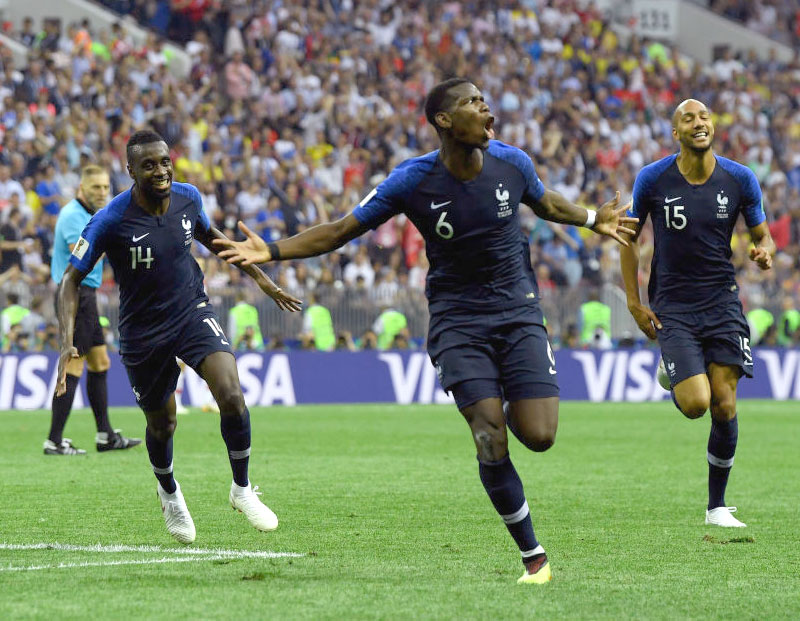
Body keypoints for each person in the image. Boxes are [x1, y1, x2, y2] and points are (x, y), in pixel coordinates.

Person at [213, 78, 635, 584]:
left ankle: (499, 400)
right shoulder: (411, 181)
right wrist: (272, 251)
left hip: (519, 312)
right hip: (458, 321)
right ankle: (534, 556)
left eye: (484, 100)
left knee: (540, 436)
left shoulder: (512, 162)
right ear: (444, 121)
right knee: (488, 437)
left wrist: (593, 218)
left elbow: (547, 205)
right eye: (473, 103)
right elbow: (342, 230)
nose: (487, 109)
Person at [56, 130, 303, 544]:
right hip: (142, 331)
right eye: (149, 165)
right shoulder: (110, 219)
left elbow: (216, 241)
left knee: (231, 393)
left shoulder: (189, 198)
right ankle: (169, 491)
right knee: (163, 423)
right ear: (131, 170)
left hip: (191, 311)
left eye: (165, 161)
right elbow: (69, 279)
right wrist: (66, 339)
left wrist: (263, 280)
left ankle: (241, 489)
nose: (160, 170)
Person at [620, 99, 776, 529]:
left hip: (722, 301)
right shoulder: (652, 179)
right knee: (695, 405)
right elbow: (627, 239)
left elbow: (761, 233)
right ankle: (674, 370)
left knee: (724, 405)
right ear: (676, 133)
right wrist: (634, 303)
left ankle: (716, 507)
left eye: (704, 116)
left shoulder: (740, 178)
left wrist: (765, 251)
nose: (699, 123)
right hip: (673, 304)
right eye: (688, 118)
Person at [48, 165, 141, 456]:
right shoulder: (74, 216)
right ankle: (54, 440)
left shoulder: (91, 215)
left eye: (104, 187)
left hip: (87, 295)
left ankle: (105, 436)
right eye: (95, 188)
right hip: (74, 296)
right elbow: (83, 253)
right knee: (75, 362)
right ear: (81, 189)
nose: (102, 192)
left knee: (100, 363)